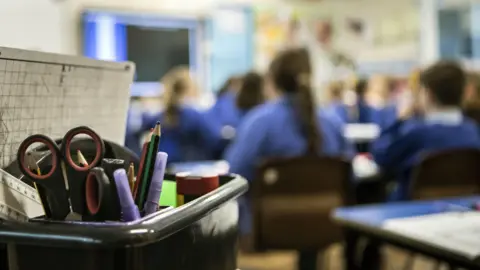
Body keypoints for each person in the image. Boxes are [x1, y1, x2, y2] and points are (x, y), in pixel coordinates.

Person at [224, 48, 353, 270]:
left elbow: (234, 173)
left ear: (272, 81)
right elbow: (349, 173)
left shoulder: (260, 122)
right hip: (326, 224)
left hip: (270, 227)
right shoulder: (333, 123)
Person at [371, 61, 480, 201]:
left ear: (428, 95)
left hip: (410, 211)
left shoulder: (417, 133)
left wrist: (400, 119)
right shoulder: (473, 131)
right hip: (463, 208)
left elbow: (381, 156)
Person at [139, 67, 221, 163]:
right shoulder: (194, 115)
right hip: (191, 168)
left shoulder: (159, 116)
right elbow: (214, 139)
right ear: (191, 89)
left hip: (164, 167)